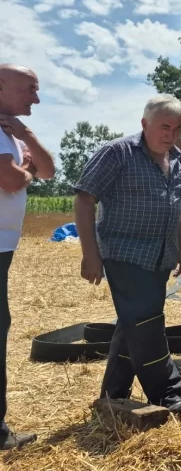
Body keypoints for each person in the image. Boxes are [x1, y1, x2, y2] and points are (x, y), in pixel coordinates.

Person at [74, 95, 181, 413]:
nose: (170, 134)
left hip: (161, 257)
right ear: (145, 124)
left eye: (177, 128)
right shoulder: (118, 152)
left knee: (134, 324)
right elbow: (85, 198)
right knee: (147, 322)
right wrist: (91, 254)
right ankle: (167, 393)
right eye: (165, 126)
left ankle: (113, 395)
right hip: (124, 252)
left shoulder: (177, 156)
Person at [0, 65, 55, 449]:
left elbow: (48, 168)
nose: (35, 98)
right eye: (29, 90)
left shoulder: (11, 132)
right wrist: (25, 171)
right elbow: (14, 180)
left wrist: (26, 137)